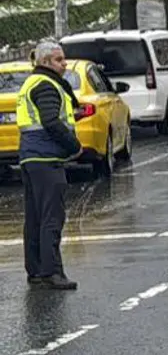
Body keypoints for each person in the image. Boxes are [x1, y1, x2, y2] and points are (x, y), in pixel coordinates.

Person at [19, 41, 82, 290]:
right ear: (45, 62)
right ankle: (52, 271)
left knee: (34, 217)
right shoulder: (46, 85)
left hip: (31, 157)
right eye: (59, 60)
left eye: (63, 59)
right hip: (46, 158)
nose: (64, 63)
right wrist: (73, 146)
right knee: (51, 217)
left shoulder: (32, 82)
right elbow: (51, 122)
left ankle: (35, 270)